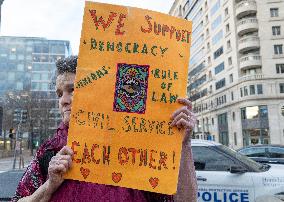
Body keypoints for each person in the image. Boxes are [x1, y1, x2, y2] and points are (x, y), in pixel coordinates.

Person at [12, 56, 197, 202]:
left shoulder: (138, 149)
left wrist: (184, 143)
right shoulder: (49, 152)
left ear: (97, 91)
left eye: (72, 90)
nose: (63, 100)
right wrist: (50, 186)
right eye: (60, 94)